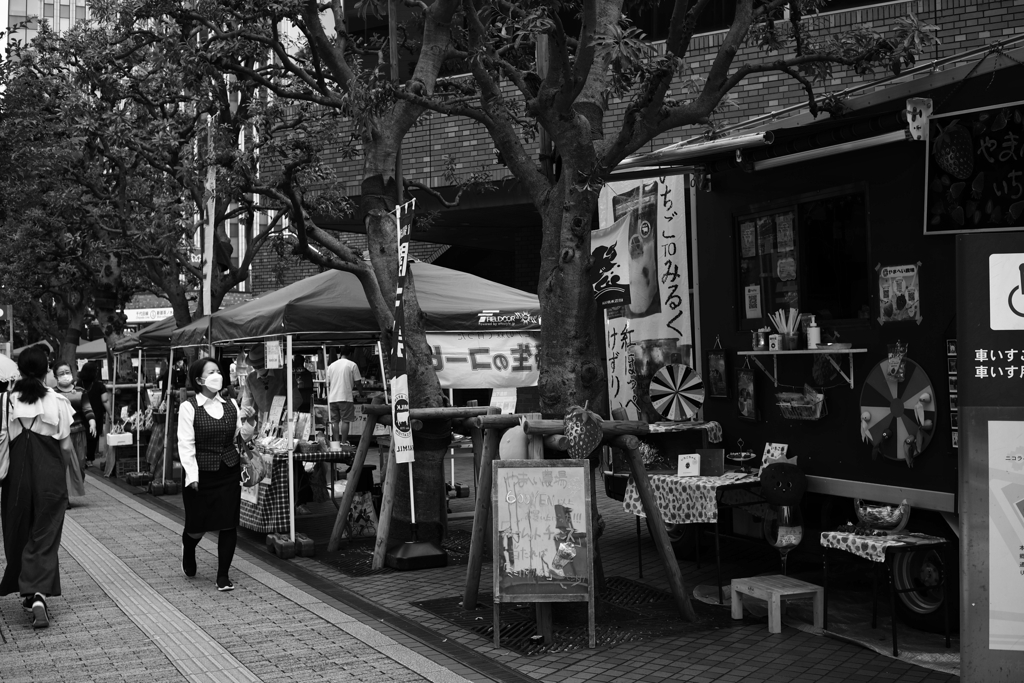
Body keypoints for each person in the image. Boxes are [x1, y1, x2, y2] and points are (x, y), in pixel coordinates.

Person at [0, 345, 76, 628]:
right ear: (48, 372)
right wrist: (62, 473)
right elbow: (66, 446)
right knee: (45, 533)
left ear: (19, 371)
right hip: (50, 473)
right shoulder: (58, 402)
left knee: (17, 529)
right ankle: (38, 594)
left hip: (16, 475)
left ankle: (29, 590)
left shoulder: (7, 400)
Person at [177, 357, 253, 591]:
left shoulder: (231, 405)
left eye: (218, 371)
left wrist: (249, 420)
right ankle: (189, 549)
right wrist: (192, 477)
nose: (217, 376)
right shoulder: (189, 407)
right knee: (196, 526)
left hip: (228, 470)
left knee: (228, 524)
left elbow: (241, 438)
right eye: (211, 372)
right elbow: (186, 445)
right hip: (200, 474)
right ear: (199, 379)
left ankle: (223, 575)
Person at [52, 361, 96, 501]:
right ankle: (64, 496)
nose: (65, 375)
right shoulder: (52, 393)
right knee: (64, 466)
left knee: (81, 465)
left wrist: (92, 422)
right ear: (55, 376)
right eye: (61, 373)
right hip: (61, 434)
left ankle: (75, 489)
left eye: (67, 372)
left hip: (79, 432)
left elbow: (87, 408)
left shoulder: (80, 391)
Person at [78, 362, 110, 469]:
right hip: (96, 414)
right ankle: (90, 459)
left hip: (80, 414)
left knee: (82, 436)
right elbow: (105, 400)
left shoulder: (78, 384)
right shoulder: (99, 385)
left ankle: (81, 457)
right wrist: (111, 414)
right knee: (93, 437)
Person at [326, 346, 361, 444]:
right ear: (350, 354)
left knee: (334, 421)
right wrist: (361, 393)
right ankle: (343, 442)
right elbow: (358, 382)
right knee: (345, 421)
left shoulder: (331, 365)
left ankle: (336, 442)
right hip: (345, 397)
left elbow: (327, 383)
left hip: (332, 398)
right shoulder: (352, 365)